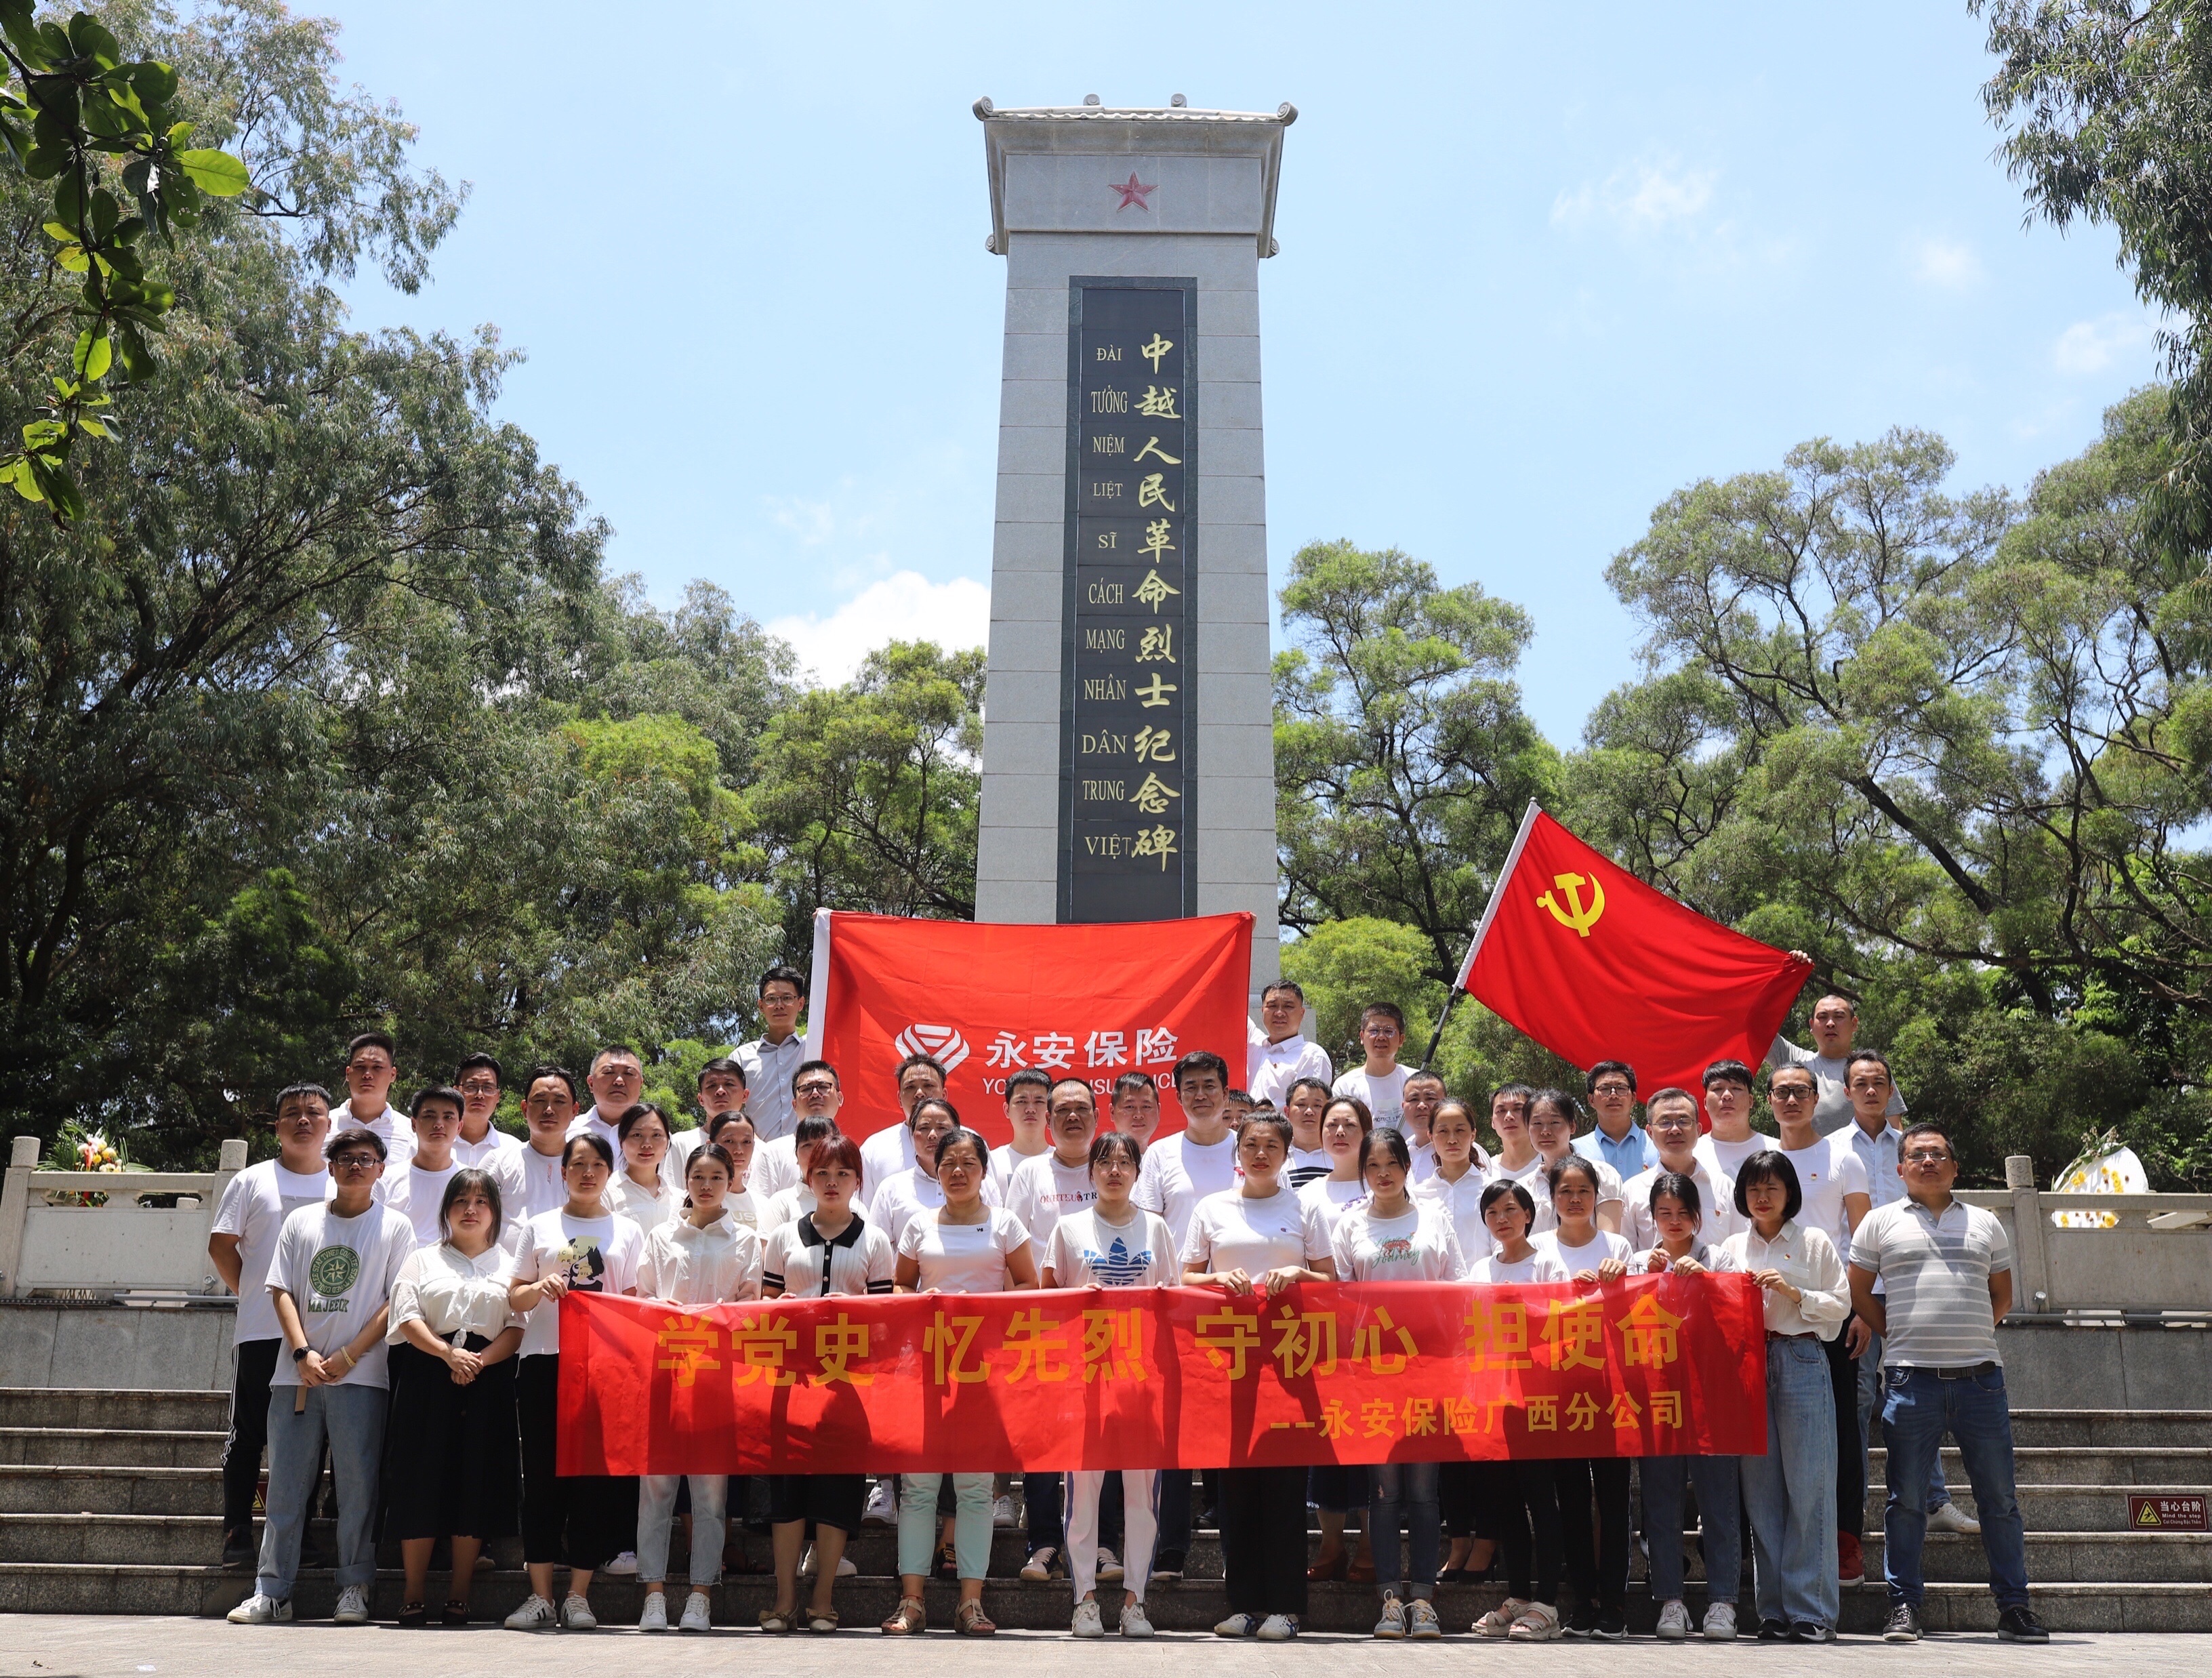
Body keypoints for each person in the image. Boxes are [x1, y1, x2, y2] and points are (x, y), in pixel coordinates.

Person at [1848, 1122, 2045, 1645]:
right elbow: (1859, 1292)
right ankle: (1904, 1606)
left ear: (1955, 1167)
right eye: (1917, 1155)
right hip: (1911, 1382)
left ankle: (2015, 1607)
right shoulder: (1879, 1222)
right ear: (1901, 1168)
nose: (1928, 1161)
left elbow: (2002, 1296)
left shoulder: (1985, 1223)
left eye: (1938, 1153)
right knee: (1906, 1500)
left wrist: (1970, 1333)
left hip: (1981, 1382)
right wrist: (1897, 1333)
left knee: (1999, 1499)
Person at [227, 1126, 414, 1628]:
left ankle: (355, 1586)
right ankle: (272, 1590)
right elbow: (281, 1291)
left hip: (363, 1375)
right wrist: (302, 1352)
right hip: (296, 1376)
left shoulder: (395, 1226)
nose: (356, 1166)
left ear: (381, 1169)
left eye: (366, 1159)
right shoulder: (301, 1221)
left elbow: (396, 1300)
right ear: (331, 1168)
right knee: (286, 1486)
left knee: (358, 1487)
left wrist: (350, 1355)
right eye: (346, 1158)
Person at [1183, 1111, 1335, 1641]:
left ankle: (1287, 1608)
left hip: (1290, 1364)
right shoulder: (1212, 1208)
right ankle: (1245, 1604)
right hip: (1230, 1364)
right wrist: (1217, 1277)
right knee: (1236, 1491)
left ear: (1287, 1154)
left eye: (1272, 1145)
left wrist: (1298, 1272)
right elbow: (1185, 1277)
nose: (1260, 1154)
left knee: (1285, 1491)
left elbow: (1331, 1280)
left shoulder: (1305, 1207)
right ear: (1238, 1152)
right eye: (1251, 1144)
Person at [886, 1121, 1038, 1636]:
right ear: (935, 1170)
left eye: (968, 1163)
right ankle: (912, 1601)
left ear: (983, 1171)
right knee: (918, 1489)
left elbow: (1029, 1285)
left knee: (975, 1489)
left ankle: (970, 1603)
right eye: (948, 1163)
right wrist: (923, 1302)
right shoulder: (918, 1225)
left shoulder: (1006, 1224)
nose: (957, 1171)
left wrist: (985, 1307)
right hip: (926, 1372)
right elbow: (900, 1286)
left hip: (984, 1374)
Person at [501, 1133, 646, 1631]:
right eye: (578, 1164)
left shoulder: (628, 1230)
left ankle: (579, 1595)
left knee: (592, 1481)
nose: (588, 1173)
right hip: (544, 1362)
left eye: (597, 1165)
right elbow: (514, 1297)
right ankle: (540, 1595)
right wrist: (538, 1288)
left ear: (610, 1173)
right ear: (562, 1172)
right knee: (542, 1479)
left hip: (604, 1368)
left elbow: (633, 1304)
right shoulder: (539, 1226)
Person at [759, 1132, 894, 1632]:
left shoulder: (875, 1240)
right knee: (787, 1489)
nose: (832, 1182)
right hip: (790, 1380)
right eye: (822, 1173)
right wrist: (780, 1307)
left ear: (858, 1181)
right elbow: (764, 1305)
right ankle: (784, 1599)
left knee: (838, 1487)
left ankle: (823, 1598)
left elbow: (885, 1319)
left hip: (848, 1383)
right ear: (807, 1178)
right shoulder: (783, 1236)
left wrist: (851, 1311)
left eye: (842, 1174)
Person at [1044, 1131, 1173, 1637]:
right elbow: (1046, 1304)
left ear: (1138, 1172)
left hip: (1142, 1382)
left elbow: (1171, 1300)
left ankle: (1135, 1602)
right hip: (1085, 1381)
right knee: (1083, 1495)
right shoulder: (1068, 1228)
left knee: (1142, 1495)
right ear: (1091, 1171)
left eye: (1124, 1162)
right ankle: (1085, 1600)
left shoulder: (1156, 1228)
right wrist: (1081, 1297)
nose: (1114, 1171)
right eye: (1105, 1162)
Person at [1334, 1128, 1462, 1639]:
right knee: (1384, 1492)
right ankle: (1390, 1600)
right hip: (1374, 1373)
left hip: (1429, 1370)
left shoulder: (1434, 1218)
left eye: (1392, 1164)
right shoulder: (1349, 1224)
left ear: (1408, 1167)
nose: (1383, 1174)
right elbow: (1339, 1302)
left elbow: (1456, 1290)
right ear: (1363, 1172)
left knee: (1425, 1492)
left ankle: (1424, 1600)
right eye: (1373, 1166)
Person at [1840, 1052, 1974, 1539]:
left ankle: (1935, 1501)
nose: (1871, 1090)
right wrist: (1858, 1302)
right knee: (1860, 1398)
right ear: (1846, 1091)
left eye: (1879, 1082)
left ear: (1890, 1089)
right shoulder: (1835, 1151)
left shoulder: (1915, 1149)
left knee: (1921, 1394)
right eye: (1861, 1083)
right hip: (1858, 1293)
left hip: (1913, 1291)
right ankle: (1852, 1509)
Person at [382, 1168, 523, 1626]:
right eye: (461, 1201)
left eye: (481, 1202)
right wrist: (447, 1354)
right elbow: (406, 1316)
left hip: (487, 1376)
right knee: (420, 1478)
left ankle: (460, 1594)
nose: (470, 1210)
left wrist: (477, 1361)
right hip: (428, 1373)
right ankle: (413, 1593)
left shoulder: (511, 1266)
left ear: (495, 1212)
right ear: (446, 1210)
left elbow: (516, 1328)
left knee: (474, 1480)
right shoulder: (422, 1259)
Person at [1718, 1151, 1849, 1642]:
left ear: (1789, 1192)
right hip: (1748, 1366)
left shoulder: (1814, 1241)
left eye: (1772, 1187)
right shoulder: (1732, 1247)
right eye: (1753, 1188)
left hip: (1801, 1356)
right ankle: (1772, 1610)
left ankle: (1811, 1612)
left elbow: (1840, 1307)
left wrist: (1795, 1294)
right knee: (1761, 1494)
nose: (1762, 1196)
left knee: (1810, 1487)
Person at [633, 1143, 763, 1631]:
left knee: (710, 1495)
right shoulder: (661, 1236)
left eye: (716, 1177)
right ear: (685, 1181)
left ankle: (701, 1594)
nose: (706, 1186)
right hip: (665, 1375)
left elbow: (749, 1306)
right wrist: (664, 1312)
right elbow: (643, 1300)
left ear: (731, 1182)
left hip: (717, 1380)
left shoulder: (746, 1240)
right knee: (656, 1490)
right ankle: (653, 1595)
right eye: (698, 1177)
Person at [209, 1082, 333, 1569]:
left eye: (313, 1113)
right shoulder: (252, 1180)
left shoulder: (342, 1183)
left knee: (310, 1440)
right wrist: (253, 1294)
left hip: (322, 1335)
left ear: (329, 1124)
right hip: (261, 1331)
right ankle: (237, 1530)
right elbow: (222, 1245)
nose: (303, 1120)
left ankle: (298, 1534)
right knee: (248, 1433)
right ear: (277, 1125)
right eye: (292, 1113)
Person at [1133, 1049, 1241, 1580]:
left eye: (1209, 1085)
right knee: (1172, 1435)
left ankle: (1234, 1549)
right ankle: (1171, 1549)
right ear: (1178, 1097)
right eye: (1191, 1087)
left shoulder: (1249, 1146)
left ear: (1225, 1091)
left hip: (1240, 1311)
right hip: (1175, 1309)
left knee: (1233, 1433)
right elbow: (1146, 1228)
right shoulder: (1159, 1154)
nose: (1201, 1095)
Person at [1768, 1060, 1876, 1587]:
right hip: (1767, 1314)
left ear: (1816, 1098)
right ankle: (1773, 1544)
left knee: (1840, 1431)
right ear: (1769, 1101)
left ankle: (1845, 1541)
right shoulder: (1761, 1156)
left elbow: (1864, 1239)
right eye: (1782, 1092)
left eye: (1801, 1091)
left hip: (1830, 1312)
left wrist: (1863, 1310)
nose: (1791, 1101)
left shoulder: (1843, 1157)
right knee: (1770, 1437)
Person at [1630, 1172, 1741, 1641]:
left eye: (1682, 1213)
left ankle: (1723, 1601)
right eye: (1664, 1213)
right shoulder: (1639, 1261)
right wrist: (1644, 1280)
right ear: (1652, 1218)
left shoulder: (1720, 1258)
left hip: (1711, 1394)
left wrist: (1709, 1282)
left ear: (1697, 1216)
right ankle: (1670, 1601)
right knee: (1660, 1499)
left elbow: (1739, 1314)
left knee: (1719, 1499)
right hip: (1658, 1394)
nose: (1673, 1222)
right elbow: (1620, 1322)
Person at [1006, 1077, 1102, 1584]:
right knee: (1043, 1439)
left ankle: (1102, 1544)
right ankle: (1043, 1542)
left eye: (1081, 1109)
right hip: (1043, 1325)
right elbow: (1013, 1248)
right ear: (1048, 1119)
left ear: (1097, 1117)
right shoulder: (1030, 1172)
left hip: (1105, 1328)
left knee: (1101, 1439)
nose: (1071, 1117)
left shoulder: (1111, 1163)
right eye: (1061, 1110)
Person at [1468, 1180, 1568, 1641]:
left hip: (1538, 1397)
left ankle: (1547, 1603)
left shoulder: (1547, 1262)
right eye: (1492, 1213)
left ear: (1528, 1214)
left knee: (1541, 1499)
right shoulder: (1479, 1269)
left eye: (1510, 1209)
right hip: (1494, 1399)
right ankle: (1518, 1596)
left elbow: (1559, 1319)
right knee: (1505, 1500)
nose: (1501, 1219)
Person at [1537, 1155, 1633, 1637]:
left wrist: (1620, 1283)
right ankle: (1582, 1601)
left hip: (1612, 1389)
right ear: (1552, 1198)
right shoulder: (1538, 1249)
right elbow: (1524, 1315)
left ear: (1597, 1196)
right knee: (1571, 1500)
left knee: (1614, 1501)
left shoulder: (1618, 1246)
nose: (1575, 1200)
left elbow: (1639, 1311)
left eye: (1583, 1191)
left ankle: (1614, 1604)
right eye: (1565, 1191)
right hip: (1558, 1389)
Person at [1412, 1096, 1496, 1586]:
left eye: (1460, 1129)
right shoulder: (1417, 1191)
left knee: (1484, 1438)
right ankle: (1459, 1537)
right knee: (1447, 1440)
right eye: (1442, 1130)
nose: (1451, 1138)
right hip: (1433, 1334)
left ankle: (1488, 1538)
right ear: (1430, 1137)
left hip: (1486, 1327)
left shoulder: (1493, 1186)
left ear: (1474, 1133)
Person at [1296, 1094, 1372, 1584]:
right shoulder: (1304, 1194)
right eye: (1331, 1125)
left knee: (1369, 1440)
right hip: (1320, 1336)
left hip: (1375, 1338)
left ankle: (1370, 1542)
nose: (1339, 1133)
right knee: (1326, 1442)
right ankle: (1330, 1543)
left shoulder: (1381, 1182)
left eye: (1349, 1125)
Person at [1768, 977, 1908, 1137]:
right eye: (1822, 1017)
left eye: (1839, 1016)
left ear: (1854, 1024)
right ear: (1812, 1025)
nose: (1830, 1024)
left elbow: (1895, 1130)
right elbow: (1757, 1027)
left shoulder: (1872, 1070)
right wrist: (1784, 977)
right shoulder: (1794, 1062)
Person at [1621, 1088, 1742, 1252]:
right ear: (1650, 1132)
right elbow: (1626, 1257)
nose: (1675, 1130)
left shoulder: (1724, 1187)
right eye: (1665, 1122)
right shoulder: (1632, 1191)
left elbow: (1740, 1250)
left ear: (1698, 1130)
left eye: (1684, 1121)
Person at [858, 1051, 948, 1212]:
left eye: (928, 1085)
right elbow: (862, 1212)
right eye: (910, 1087)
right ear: (899, 1098)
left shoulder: (970, 1143)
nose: (919, 1093)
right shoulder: (873, 1148)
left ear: (944, 1095)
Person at [1528, 1089, 1624, 1235]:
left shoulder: (1602, 1175)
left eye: (1554, 1122)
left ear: (1572, 1127)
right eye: (1537, 1123)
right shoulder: (1525, 1188)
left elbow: (1609, 1240)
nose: (1545, 1131)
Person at [382, 1086, 468, 1247]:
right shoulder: (385, 1179)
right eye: (429, 1116)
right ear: (414, 1124)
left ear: (459, 1127)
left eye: (448, 1117)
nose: (439, 1124)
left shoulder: (471, 1182)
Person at [737, 964, 810, 1143]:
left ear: (801, 1003)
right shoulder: (742, 1058)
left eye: (787, 998)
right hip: (756, 1154)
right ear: (761, 1006)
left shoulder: (813, 1047)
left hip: (807, 1152)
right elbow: (731, 1111)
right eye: (771, 999)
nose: (779, 1005)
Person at [754, 1060, 844, 1200]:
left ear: (840, 1098)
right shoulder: (773, 1153)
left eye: (823, 1087)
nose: (815, 1094)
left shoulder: (851, 1152)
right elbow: (759, 1205)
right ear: (794, 1104)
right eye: (806, 1089)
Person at [1247, 979, 1333, 1107]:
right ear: (1263, 1010)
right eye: (1272, 1006)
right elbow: (1230, 1003)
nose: (1279, 1013)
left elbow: (1307, 1112)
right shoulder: (1254, 1043)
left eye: (1288, 1007)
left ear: (1302, 1013)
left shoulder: (1312, 1056)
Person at [331, 1031, 410, 1166]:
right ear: (348, 1073)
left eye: (377, 1067)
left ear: (393, 1074)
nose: (367, 1075)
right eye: (360, 1067)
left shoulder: (410, 1132)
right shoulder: (324, 1127)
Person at [513, 1065, 581, 1221]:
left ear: (574, 1111)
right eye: (539, 1100)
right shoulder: (499, 1163)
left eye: (559, 1101)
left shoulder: (588, 1168)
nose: (549, 1110)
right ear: (524, 1108)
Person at [1485, 1082, 1552, 1231]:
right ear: (1492, 1122)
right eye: (1501, 1111)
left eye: (1518, 1109)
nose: (1509, 1117)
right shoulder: (1484, 1172)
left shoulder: (1550, 1167)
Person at [1332, 1002, 1409, 1130]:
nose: (1381, 1037)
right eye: (1374, 1031)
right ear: (1362, 1037)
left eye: (1389, 1031)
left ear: (1401, 1039)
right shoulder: (1345, 1086)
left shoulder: (1415, 1080)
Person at [1695, 1059, 1776, 1179]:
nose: (1727, 1096)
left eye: (1736, 1088)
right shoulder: (1690, 1156)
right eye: (1717, 1089)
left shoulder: (1777, 1151)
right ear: (1705, 1103)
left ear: (1750, 1101)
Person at [608, 1102, 679, 1238]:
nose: (647, 1144)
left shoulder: (679, 1198)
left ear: (667, 1141)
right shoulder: (607, 1193)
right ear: (621, 1141)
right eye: (637, 1135)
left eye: (656, 1135)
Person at [1574, 1061, 1658, 1176]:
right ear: (1591, 1100)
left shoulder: (1656, 1144)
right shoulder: (1576, 1150)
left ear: (1633, 1099)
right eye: (1604, 1089)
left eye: (1621, 1088)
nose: (1613, 1095)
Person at [670, 1056, 747, 1177]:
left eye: (729, 1084)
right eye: (711, 1086)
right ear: (701, 1099)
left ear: (745, 1096)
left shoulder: (763, 1151)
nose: (720, 1091)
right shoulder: (679, 1144)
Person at [760, 1113, 838, 1231]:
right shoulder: (781, 1203)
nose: (815, 1152)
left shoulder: (854, 1207)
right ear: (797, 1155)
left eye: (823, 1144)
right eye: (807, 1145)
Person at [989, 1065, 1056, 1199]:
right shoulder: (991, 1163)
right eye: (1022, 1101)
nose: (1030, 1109)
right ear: (1007, 1110)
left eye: (1039, 1101)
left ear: (1050, 1110)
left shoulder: (1063, 1161)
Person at [451, 1053, 526, 1172]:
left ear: (498, 1096)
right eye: (471, 1086)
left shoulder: (513, 1150)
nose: (480, 1095)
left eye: (488, 1088)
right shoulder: (433, 1144)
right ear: (456, 1093)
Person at [569, 1046, 646, 1152]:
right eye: (609, 1072)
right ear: (591, 1083)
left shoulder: (659, 1138)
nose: (619, 1081)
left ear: (640, 1085)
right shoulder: (567, 1132)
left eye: (628, 1074)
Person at [1282, 1076, 1334, 1187]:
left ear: (1329, 1111)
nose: (1309, 1112)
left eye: (1317, 1105)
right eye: (1301, 1105)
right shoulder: (1276, 1156)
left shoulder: (1342, 1156)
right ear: (1287, 1112)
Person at [1399, 1069, 1450, 1180]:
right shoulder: (1399, 1153)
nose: (1422, 1105)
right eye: (1414, 1099)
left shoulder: (1466, 1151)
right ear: (1403, 1106)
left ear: (1446, 1103)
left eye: (1430, 1098)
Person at [1109, 1069, 1162, 1147]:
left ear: (1158, 1111)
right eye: (1130, 1107)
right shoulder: (1098, 1155)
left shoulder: (1169, 1155)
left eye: (1146, 1107)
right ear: (1112, 1112)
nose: (1139, 1115)